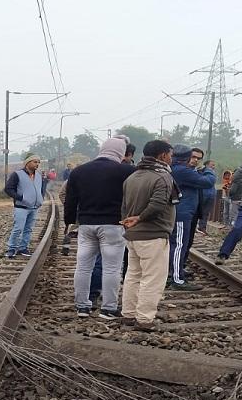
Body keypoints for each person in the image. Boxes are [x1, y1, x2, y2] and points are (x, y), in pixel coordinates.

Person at [63, 137, 137, 320]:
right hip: (113, 225)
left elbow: (70, 201)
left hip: (86, 225)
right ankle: (108, 309)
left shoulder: (79, 171)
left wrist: (70, 222)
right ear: (121, 152)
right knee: (112, 268)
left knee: (83, 266)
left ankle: (82, 306)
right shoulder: (127, 171)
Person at [120, 139, 179, 331]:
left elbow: (124, 206)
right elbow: (158, 205)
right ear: (162, 155)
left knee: (133, 275)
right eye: (170, 154)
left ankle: (128, 315)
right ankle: (144, 319)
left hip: (133, 236)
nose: (171, 158)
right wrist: (140, 218)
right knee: (152, 278)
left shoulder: (133, 176)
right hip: (153, 234)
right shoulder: (162, 177)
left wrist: (129, 222)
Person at [166, 145, 216, 290]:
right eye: (192, 157)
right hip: (181, 213)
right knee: (178, 245)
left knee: (175, 244)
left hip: (179, 212)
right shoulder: (182, 171)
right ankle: (177, 279)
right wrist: (208, 169)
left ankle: (175, 272)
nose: (195, 160)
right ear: (186, 157)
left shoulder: (174, 168)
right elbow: (208, 182)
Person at [3, 154, 48, 258]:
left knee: (28, 229)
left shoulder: (39, 176)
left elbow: (41, 189)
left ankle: (23, 248)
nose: (37, 164)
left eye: (38, 162)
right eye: (35, 162)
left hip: (34, 207)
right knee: (18, 228)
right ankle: (11, 248)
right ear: (28, 163)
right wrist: (21, 198)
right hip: (21, 208)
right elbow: (8, 189)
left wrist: (40, 198)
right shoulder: (17, 174)